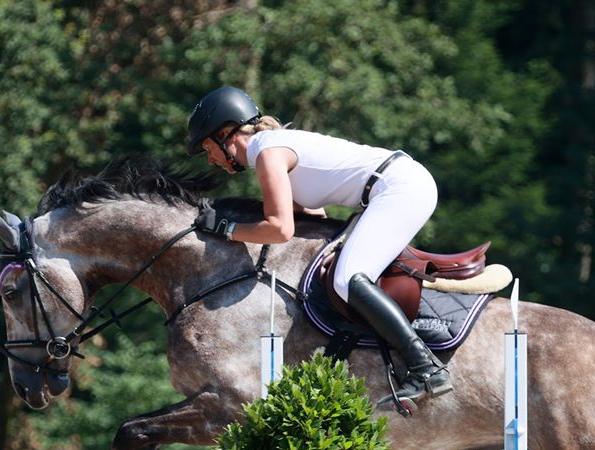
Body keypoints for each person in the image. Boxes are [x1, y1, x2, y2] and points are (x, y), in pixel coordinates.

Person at [187, 85, 451, 405]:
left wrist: (225, 229)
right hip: (395, 186)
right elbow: (311, 218)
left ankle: (425, 368)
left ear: (226, 134)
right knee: (339, 272)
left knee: (346, 279)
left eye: (207, 148)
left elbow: (280, 229)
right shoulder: (271, 149)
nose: (211, 160)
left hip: (399, 188)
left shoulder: (267, 153)